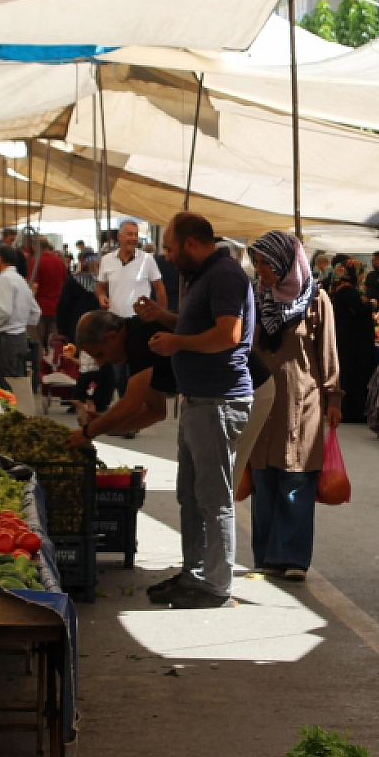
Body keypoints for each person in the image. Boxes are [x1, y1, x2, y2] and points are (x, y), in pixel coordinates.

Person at [134, 212, 254, 609]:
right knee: (190, 493)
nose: (166, 256)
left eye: (169, 247)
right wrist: (164, 319)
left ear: (190, 243)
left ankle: (217, 586)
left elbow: (228, 335)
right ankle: (195, 574)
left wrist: (177, 344)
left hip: (218, 399)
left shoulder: (225, 275)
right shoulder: (204, 276)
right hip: (198, 398)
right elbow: (198, 324)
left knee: (213, 497)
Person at [244, 232, 342, 581]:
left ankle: (292, 558)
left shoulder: (316, 300)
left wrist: (333, 397)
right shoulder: (255, 298)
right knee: (264, 479)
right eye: (257, 263)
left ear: (286, 262)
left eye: (266, 263)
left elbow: (327, 353)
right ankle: (267, 556)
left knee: (297, 480)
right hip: (262, 402)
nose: (261, 270)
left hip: (303, 403)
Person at [69, 309, 176, 444]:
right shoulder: (135, 338)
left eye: (99, 354)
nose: (101, 363)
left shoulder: (139, 339)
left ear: (112, 336)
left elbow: (131, 404)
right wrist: (105, 426)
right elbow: (155, 411)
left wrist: (88, 432)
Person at [59, 255, 112, 414]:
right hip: (102, 327)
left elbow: (63, 307)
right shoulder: (105, 284)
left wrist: (62, 330)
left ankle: (78, 397)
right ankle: (100, 399)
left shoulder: (72, 282)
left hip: (78, 327)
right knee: (103, 366)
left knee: (79, 368)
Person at [330, 260, 376, 424]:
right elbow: (361, 309)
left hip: (349, 340)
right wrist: (371, 304)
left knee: (349, 375)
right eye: (361, 272)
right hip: (353, 342)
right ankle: (352, 411)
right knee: (353, 376)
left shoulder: (341, 289)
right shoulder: (347, 291)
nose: (362, 276)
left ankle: (351, 410)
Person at [0, 244, 40, 379]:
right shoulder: (20, 279)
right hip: (20, 338)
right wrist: (20, 323)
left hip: (7, 340)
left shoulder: (4, 277)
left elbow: (4, 310)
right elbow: (36, 311)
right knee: (17, 382)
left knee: (5, 383)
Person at [97, 220, 166, 317]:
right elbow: (101, 287)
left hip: (140, 319)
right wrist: (101, 296)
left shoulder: (147, 259)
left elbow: (159, 288)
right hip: (115, 319)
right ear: (119, 236)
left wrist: (162, 316)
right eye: (130, 234)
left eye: (136, 235)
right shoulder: (106, 260)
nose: (134, 238)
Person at [30, 236, 67, 351]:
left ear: (36, 247)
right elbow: (65, 283)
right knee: (54, 341)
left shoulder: (36, 261)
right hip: (57, 306)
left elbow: (34, 286)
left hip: (40, 307)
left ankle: (41, 367)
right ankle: (54, 365)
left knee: (38, 342)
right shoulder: (59, 262)